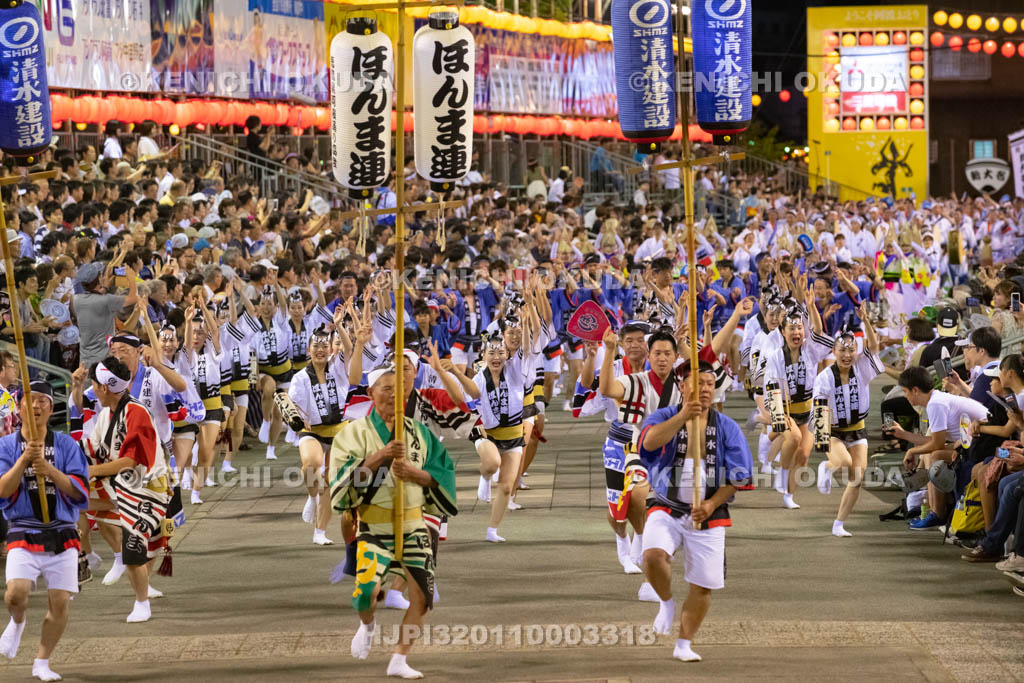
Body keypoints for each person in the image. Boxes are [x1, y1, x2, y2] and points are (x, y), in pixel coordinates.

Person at [329, 362, 457, 680]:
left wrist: (419, 475)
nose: (393, 394)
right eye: (386, 388)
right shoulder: (352, 434)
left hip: (414, 525)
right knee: (365, 593)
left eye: (399, 389)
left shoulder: (418, 433)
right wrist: (378, 457)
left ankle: (399, 658)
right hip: (375, 526)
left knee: (422, 599)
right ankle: (367, 625)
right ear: (371, 393)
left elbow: (444, 472)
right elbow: (341, 482)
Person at [638, 361, 753, 662]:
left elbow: (739, 476)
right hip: (667, 506)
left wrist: (711, 504)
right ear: (682, 386)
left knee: (703, 585)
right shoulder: (665, 415)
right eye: (697, 383)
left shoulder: (726, 426)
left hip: (709, 513)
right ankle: (666, 602)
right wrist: (682, 417)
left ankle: (684, 644)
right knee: (651, 557)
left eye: (709, 384)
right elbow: (648, 443)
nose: (704, 389)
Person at [0, 381, 89, 682]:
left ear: (52, 409)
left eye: (43, 401)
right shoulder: (5, 446)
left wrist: (48, 470)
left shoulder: (66, 445)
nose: (36, 406)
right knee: (15, 594)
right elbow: (2, 489)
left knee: (60, 602)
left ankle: (42, 660)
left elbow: (80, 491)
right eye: (31, 400)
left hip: (62, 529)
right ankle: (17, 621)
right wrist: (25, 459)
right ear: (20, 406)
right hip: (24, 527)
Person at [81, 356, 171, 623]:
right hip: (120, 484)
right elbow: (93, 450)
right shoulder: (106, 414)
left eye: (94, 383)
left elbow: (130, 460)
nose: (92, 388)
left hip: (148, 489)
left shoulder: (137, 413)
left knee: (135, 547)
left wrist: (91, 472)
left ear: (105, 388)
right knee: (75, 497)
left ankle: (141, 601)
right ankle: (117, 559)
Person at [812, 306, 882, 537]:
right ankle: (827, 467)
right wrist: (822, 445)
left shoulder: (861, 368)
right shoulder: (824, 378)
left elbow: (874, 347)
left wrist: (867, 321)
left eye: (851, 350)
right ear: (834, 351)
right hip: (832, 431)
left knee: (857, 479)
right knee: (842, 461)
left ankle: (839, 524)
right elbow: (819, 412)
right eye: (842, 350)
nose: (847, 355)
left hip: (858, 430)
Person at [896, 365, 988, 529]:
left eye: (905, 391)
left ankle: (938, 513)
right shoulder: (936, 399)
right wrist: (903, 435)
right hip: (971, 441)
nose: (905, 396)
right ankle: (931, 509)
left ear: (915, 390)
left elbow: (936, 444)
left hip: (983, 442)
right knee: (929, 454)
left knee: (935, 456)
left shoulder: (936, 404)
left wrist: (912, 450)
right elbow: (932, 440)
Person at [72, 262, 140, 369]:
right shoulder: (107, 301)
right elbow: (134, 298)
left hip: (85, 361)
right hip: (104, 362)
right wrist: (131, 278)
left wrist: (106, 286)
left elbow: (96, 298)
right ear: (99, 279)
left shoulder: (76, 300)